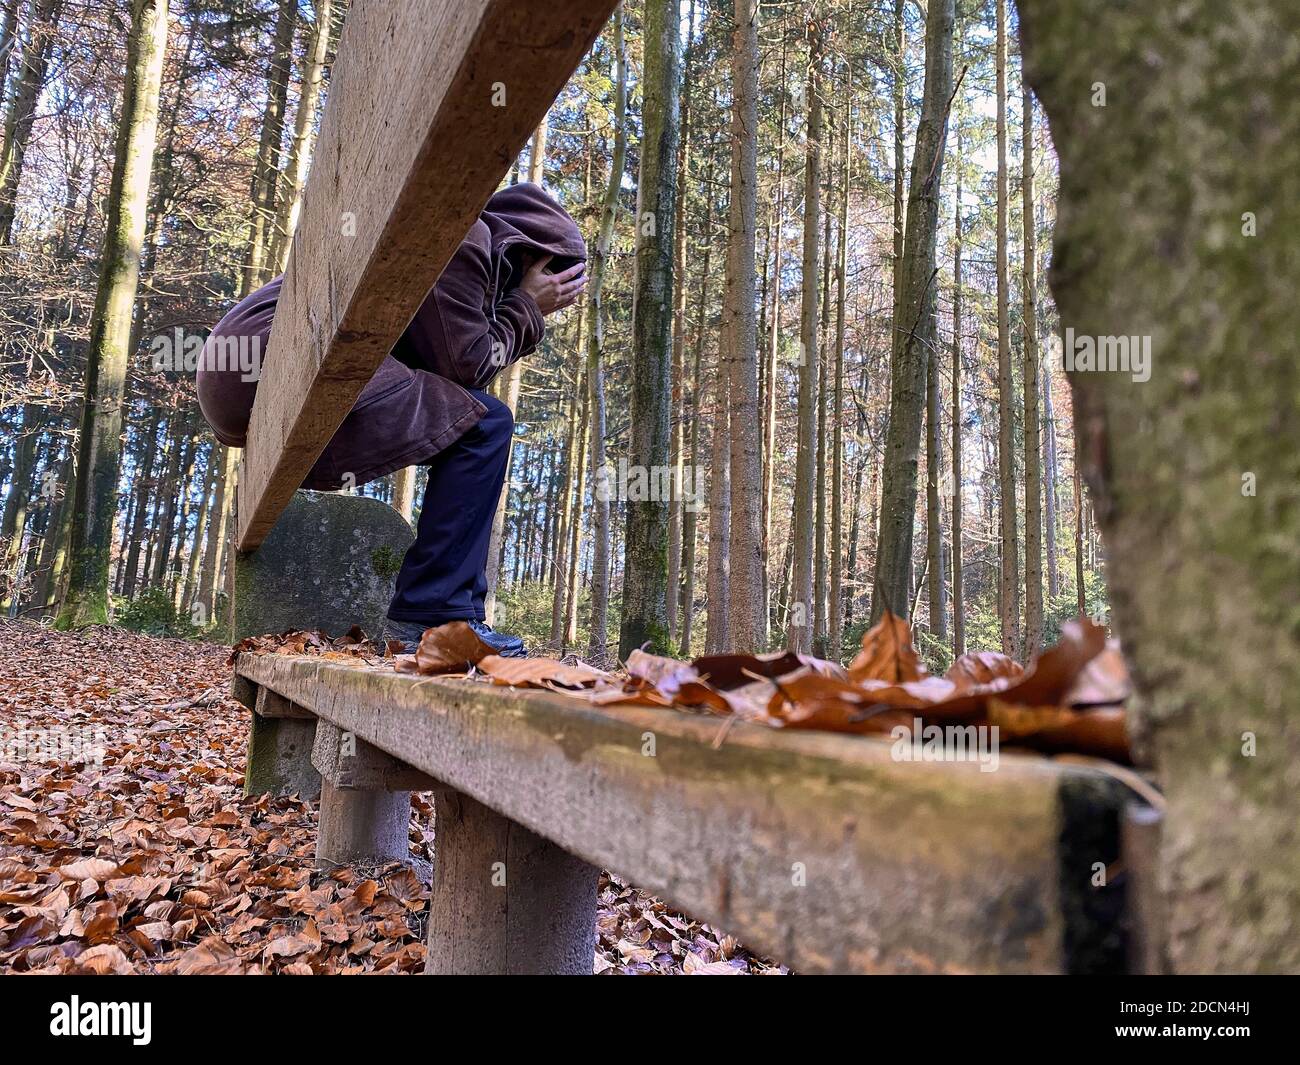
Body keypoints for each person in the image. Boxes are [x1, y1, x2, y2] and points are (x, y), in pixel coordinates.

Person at [196, 182, 586, 657]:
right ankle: (440, 616)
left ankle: (437, 612)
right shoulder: (465, 237)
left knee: (475, 419)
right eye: (556, 275)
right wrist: (526, 305)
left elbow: (452, 379)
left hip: (258, 368)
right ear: (531, 255)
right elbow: (467, 369)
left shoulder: (465, 241)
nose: (554, 292)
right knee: (487, 425)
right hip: (277, 357)